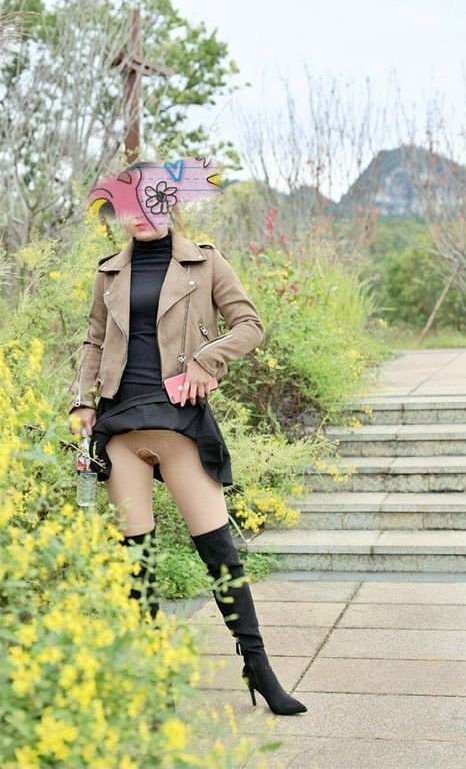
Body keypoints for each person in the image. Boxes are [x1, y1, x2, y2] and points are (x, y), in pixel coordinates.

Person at [67, 161, 307, 716]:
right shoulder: (108, 272)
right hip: (120, 427)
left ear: (169, 202)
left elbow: (249, 325)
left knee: (220, 555)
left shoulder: (205, 260)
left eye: (148, 201)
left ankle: (259, 669)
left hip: (180, 424)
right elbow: (93, 341)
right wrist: (81, 401)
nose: (139, 215)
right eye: (126, 205)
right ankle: (148, 679)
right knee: (138, 563)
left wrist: (205, 360)